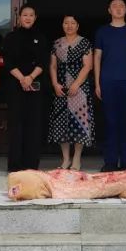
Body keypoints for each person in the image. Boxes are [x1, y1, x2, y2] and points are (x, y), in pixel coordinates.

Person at [94, 0, 126, 172]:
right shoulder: (102, 32)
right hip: (107, 81)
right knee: (110, 122)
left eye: (121, 6)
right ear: (109, 10)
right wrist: (97, 82)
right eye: (114, 6)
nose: (118, 8)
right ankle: (110, 161)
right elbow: (97, 57)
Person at [2, 4, 51, 172]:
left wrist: (30, 77)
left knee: (34, 124)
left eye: (31, 15)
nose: (28, 18)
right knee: (16, 125)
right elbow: (8, 61)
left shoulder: (41, 38)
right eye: (25, 15)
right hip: (15, 85)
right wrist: (22, 78)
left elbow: (43, 61)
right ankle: (15, 164)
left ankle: (31, 164)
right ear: (19, 17)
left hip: (35, 85)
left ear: (35, 18)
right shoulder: (11, 37)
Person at [48, 14, 95, 170]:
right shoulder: (56, 43)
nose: (69, 26)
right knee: (61, 122)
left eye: (72, 23)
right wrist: (55, 83)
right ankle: (66, 159)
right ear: (62, 25)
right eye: (66, 23)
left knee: (79, 122)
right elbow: (53, 66)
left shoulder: (84, 42)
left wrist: (76, 84)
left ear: (77, 26)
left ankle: (76, 159)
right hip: (61, 88)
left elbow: (88, 66)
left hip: (79, 89)